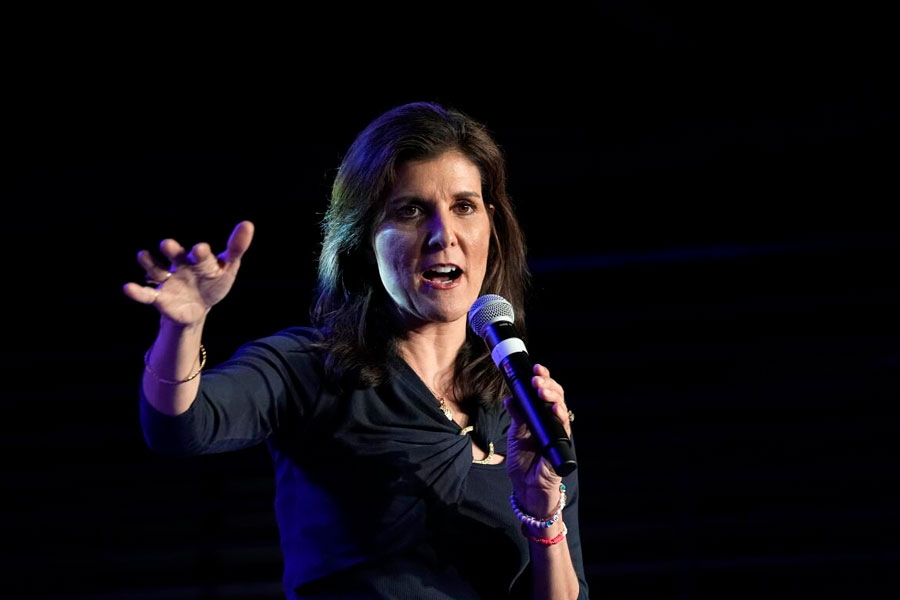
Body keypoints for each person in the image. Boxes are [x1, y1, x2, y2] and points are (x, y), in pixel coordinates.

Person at [124, 102, 589, 599]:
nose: (443, 235)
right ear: (365, 237)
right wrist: (183, 328)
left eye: (464, 207)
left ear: (490, 226)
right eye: (411, 210)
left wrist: (544, 515)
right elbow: (179, 426)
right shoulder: (309, 367)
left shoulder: (523, 414)